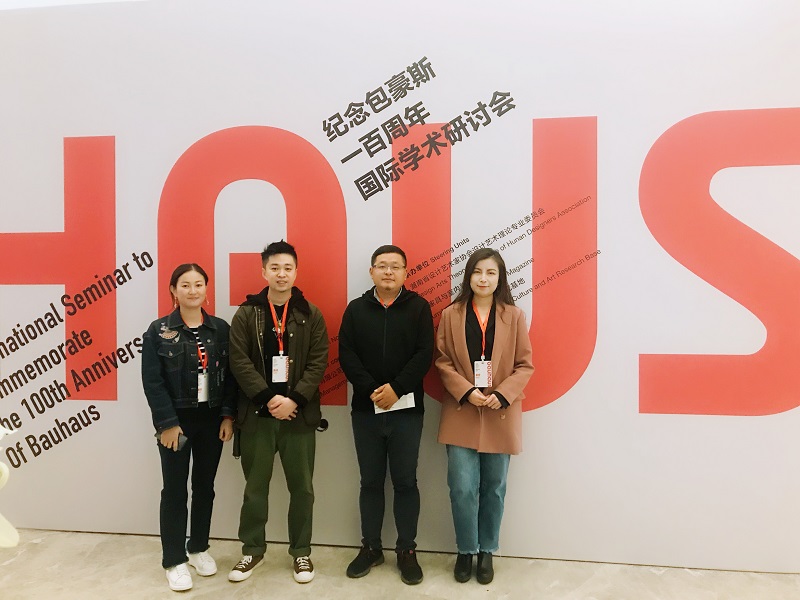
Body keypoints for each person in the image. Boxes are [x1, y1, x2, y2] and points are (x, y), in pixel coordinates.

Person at [228, 240, 328, 585]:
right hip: (257, 416)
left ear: (296, 272)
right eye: (274, 268)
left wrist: (294, 400)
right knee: (255, 488)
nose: (281, 274)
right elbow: (239, 361)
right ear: (263, 272)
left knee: (303, 489)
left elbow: (318, 362)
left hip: (298, 416)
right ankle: (252, 549)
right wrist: (270, 398)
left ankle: (301, 552)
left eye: (287, 268)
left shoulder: (311, 314)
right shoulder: (247, 313)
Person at [434, 247, 534, 584]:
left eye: (491, 273)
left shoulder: (514, 316)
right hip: (462, 408)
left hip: (499, 411)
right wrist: (466, 390)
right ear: (469, 276)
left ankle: (487, 549)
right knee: (462, 488)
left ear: (500, 278)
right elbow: (443, 361)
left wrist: (502, 394)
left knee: (494, 488)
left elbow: (525, 365)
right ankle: (466, 550)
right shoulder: (451, 315)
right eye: (477, 272)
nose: (483, 279)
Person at [338, 244, 434, 585]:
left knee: (406, 482)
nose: (388, 271)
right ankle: (371, 547)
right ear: (371, 271)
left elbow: (424, 354)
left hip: (407, 412)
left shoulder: (419, 308)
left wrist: (397, 389)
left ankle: (406, 550)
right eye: (382, 266)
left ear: (406, 272)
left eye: (395, 266)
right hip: (366, 412)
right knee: (370, 482)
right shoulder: (356, 309)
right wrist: (372, 390)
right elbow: (347, 355)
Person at [141, 263, 236, 592]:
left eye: (198, 284)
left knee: (205, 487)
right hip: (176, 424)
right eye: (185, 285)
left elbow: (231, 377)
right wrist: (167, 424)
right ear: (173, 290)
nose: (192, 290)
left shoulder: (220, 329)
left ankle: (198, 548)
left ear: (206, 289)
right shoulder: (158, 331)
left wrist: (227, 416)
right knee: (174, 490)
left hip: (212, 421)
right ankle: (174, 560)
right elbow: (153, 383)